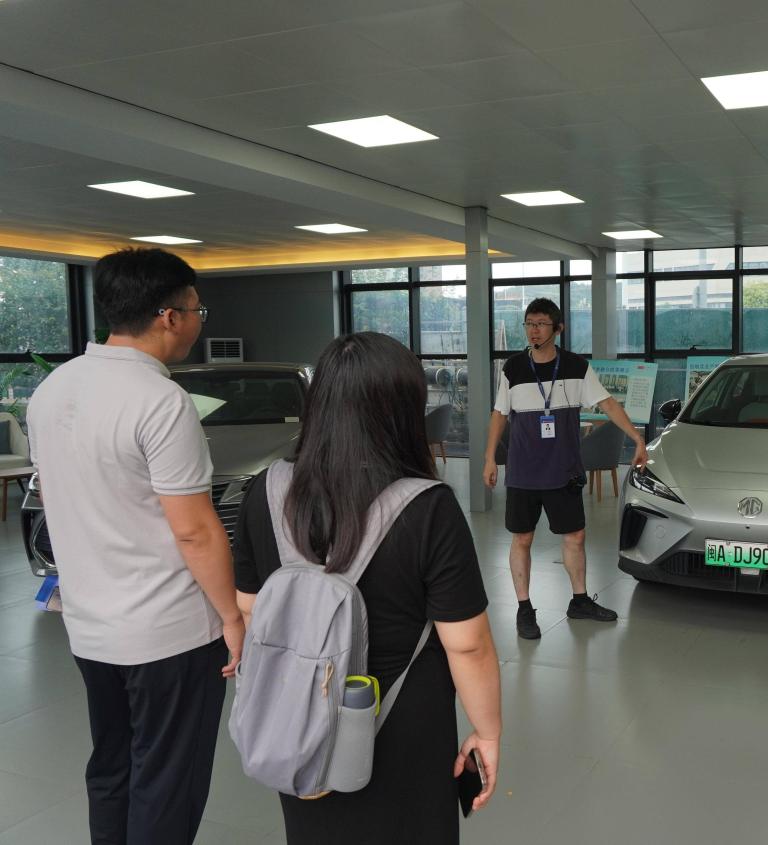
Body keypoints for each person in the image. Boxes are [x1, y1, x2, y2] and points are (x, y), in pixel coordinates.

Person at [233, 332, 501, 843]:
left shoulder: (266, 491)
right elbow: (467, 644)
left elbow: (250, 608)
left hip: (300, 714)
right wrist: (487, 731)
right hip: (404, 723)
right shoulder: (430, 506)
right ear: (404, 411)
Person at [27, 248, 242, 845]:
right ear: (170, 317)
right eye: (198, 310)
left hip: (90, 627)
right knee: (167, 777)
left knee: (112, 764)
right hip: (168, 632)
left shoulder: (53, 388)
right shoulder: (160, 401)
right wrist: (231, 616)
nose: (199, 321)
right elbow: (195, 529)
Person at [482, 297, 648, 639]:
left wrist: (636, 438)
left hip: (564, 469)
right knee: (522, 537)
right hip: (524, 471)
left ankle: (579, 600)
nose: (534, 330)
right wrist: (488, 458)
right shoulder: (513, 368)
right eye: (529, 324)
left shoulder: (575, 366)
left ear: (558, 328)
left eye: (541, 324)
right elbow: (499, 413)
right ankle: (524, 608)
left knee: (575, 536)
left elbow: (607, 403)